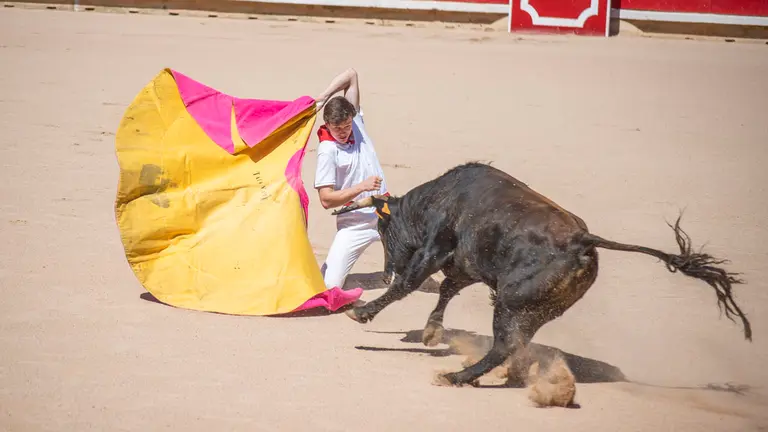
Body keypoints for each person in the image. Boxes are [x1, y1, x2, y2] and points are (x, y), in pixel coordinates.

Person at [313, 68, 389, 290]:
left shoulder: (355, 123)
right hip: (354, 222)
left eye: (347, 125)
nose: (345, 131)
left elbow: (351, 75)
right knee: (330, 287)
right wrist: (362, 187)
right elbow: (326, 200)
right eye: (338, 128)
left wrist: (323, 97)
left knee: (426, 244)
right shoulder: (327, 151)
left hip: (385, 211)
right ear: (327, 124)